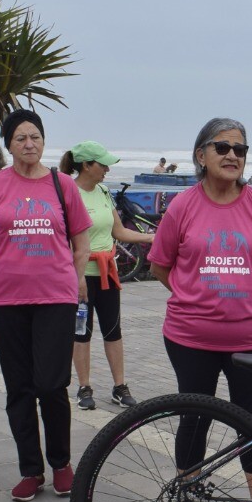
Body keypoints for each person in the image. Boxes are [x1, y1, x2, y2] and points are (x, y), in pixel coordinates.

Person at [147, 118, 252, 502]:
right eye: (222, 147)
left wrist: (249, 295)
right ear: (201, 155)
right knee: (195, 418)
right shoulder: (183, 206)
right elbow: (160, 263)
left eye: (240, 150)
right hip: (190, 338)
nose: (232, 155)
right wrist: (195, 296)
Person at [0, 109, 90, 502]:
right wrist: (2, 275)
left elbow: (81, 240)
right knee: (19, 387)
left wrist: (74, 281)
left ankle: (61, 463)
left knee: (51, 384)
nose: (29, 144)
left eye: (35, 137)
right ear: (8, 144)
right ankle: (30, 470)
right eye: (21, 138)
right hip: (6, 300)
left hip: (55, 298)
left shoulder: (63, 185)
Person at [61, 141, 152, 411]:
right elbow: (64, 241)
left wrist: (152, 237)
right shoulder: (68, 193)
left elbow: (119, 232)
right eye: (103, 165)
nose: (107, 170)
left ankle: (120, 387)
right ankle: (84, 387)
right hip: (80, 275)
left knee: (113, 331)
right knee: (81, 332)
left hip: (107, 273)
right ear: (87, 165)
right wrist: (76, 278)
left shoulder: (102, 191)